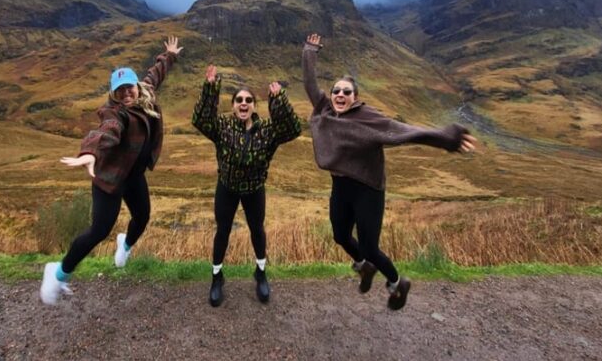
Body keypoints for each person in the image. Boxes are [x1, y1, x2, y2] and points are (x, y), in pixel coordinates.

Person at [302, 33, 477, 310]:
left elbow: (404, 131)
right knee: (340, 236)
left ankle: (397, 282)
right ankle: (364, 268)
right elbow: (310, 84)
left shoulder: (368, 118)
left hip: (368, 190)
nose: (340, 95)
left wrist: (446, 137)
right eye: (336, 91)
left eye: (346, 92)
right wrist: (310, 50)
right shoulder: (324, 111)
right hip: (341, 187)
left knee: (371, 247)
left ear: (355, 98)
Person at [40, 35, 183, 305]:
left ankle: (125, 245)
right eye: (120, 91)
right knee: (98, 231)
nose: (127, 94)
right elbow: (106, 131)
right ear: (114, 95)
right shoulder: (115, 113)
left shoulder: (146, 92)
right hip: (109, 180)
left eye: (129, 88)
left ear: (137, 87)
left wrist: (169, 55)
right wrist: (89, 152)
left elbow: (155, 74)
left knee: (142, 218)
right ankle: (58, 274)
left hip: (134, 176)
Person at [192, 65, 301, 307]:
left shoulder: (268, 131)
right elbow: (200, 120)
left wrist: (279, 101)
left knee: (257, 231)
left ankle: (261, 273)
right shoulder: (222, 126)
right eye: (239, 100)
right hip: (227, 188)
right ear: (233, 105)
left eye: (248, 100)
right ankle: (217, 277)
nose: (243, 103)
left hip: (255, 190)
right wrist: (210, 89)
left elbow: (293, 129)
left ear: (254, 106)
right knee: (222, 232)